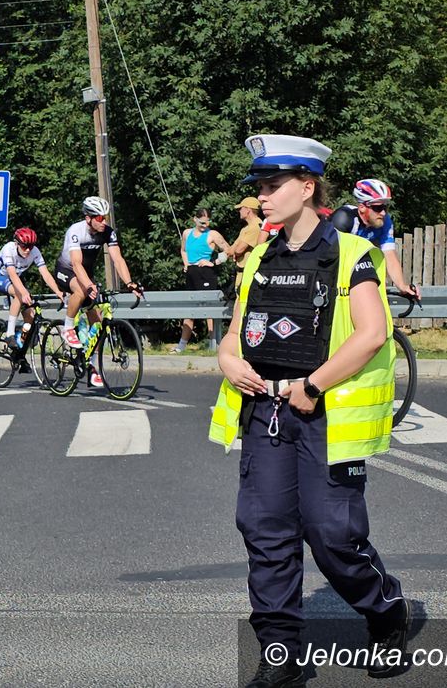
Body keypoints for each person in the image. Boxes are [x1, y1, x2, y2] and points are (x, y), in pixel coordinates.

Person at [209, 134, 408, 687]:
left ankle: (385, 611)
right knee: (265, 531)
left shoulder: (351, 253)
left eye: (273, 187)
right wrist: (228, 361)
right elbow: (232, 336)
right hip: (266, 414)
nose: (262, 198)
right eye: (260, 188)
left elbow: (370, 334)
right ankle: (281, 657)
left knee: (333, 536)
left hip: (321, 416)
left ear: (307, 186)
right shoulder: (259, 258)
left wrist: (314, 386)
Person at [53, 196, 143, 386]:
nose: (104, 222)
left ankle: (93, 365)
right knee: (81, 291)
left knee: (98, 324)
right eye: (100, 218)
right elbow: (76, 264)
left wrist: (129, 283)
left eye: (106, 217)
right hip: (66, 270)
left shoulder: (108, 233)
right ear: (89, 218)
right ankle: (68, 328)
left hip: (86, 274)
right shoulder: (75, 231)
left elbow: (118, 259)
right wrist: (88, 286)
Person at [328, 178, 421, 301]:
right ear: (362, 207)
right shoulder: (343, 219)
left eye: (385, 207)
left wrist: (402, 286)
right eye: (377, 208)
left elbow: (390, 255)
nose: (383, 213)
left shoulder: (385, 222)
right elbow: (330, 258)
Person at [0, 227, 65, 356]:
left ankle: (20, 345)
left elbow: (45, 274)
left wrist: (58, 291)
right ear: (17, 243)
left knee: (30, 315)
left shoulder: (35, 251)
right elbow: (12, 274)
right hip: (0, 277)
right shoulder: (8, 249)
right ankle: (9, 333)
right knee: (19, 295)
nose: (28, 250)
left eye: (31, 246)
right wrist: (24, 293)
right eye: (25, 246)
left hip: (18, 279)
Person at [175, 208, 232, 353]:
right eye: (201, 222)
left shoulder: (212, 234)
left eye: (207, 223)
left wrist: (213, 262)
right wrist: (186, 263)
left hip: (206, 273)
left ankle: (214, 344)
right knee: (190, 310)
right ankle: (181, 345)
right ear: (195, 219)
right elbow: (183, 250)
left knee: (209, 310)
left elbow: (228, 250)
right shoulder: (187, 233)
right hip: (191, 273)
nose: (204, 226)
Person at [228, 197, 263, 291]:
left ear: (248, 210)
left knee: (242, 302)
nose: (239, 211)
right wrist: (234, 251)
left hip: (248, 274)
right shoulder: (246, 228)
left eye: (241, 208)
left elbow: (238, 250)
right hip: (242, 273)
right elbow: (231, 251)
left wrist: (235, 251)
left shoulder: (255, 227)